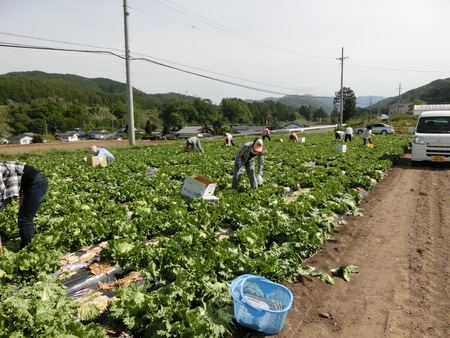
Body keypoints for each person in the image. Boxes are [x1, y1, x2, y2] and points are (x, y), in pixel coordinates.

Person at [0, 161, 48, 248]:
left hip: (37, 183)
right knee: (24, 217)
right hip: (31, 184)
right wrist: (23, 194)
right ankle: (27, 245)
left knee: (25, 219)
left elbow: (1, 194)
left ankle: (27, 248)